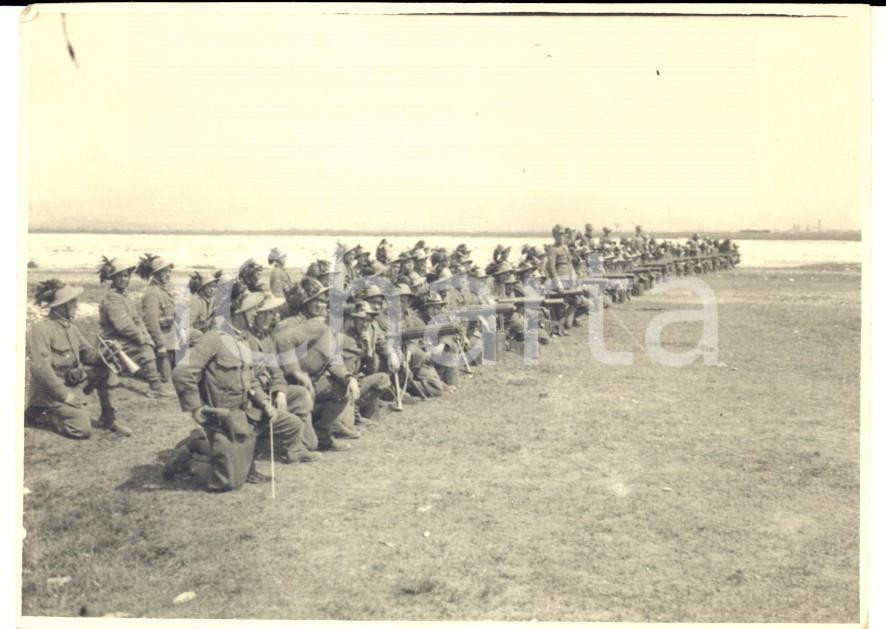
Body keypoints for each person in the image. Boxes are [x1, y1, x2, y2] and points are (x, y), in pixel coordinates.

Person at [165, 288, 286, 490]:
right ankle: (189, 460)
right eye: (252, 308)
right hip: (222, 418)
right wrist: (196, 408)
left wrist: (265, 402)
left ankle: (241, 461)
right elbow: (181, 373)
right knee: (227, 482)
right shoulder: (214, 338)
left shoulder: (243, 339)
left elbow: (251, 380)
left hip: (244, 414)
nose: (257, 312)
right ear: (237, 310)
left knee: (279, 423)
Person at [26, 279, 133, 438]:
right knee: (83, 430)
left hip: (72, 383)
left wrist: (108, 352)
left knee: (105, 367)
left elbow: (88, 355)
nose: (76, 305)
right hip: (50, 393)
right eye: (73, 302)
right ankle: (46, 414)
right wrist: (65, 396)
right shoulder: (41, 329)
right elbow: (40, 369)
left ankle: (108, 418)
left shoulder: (71, 328)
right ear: (61, 306)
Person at [273, 277, 357, 451]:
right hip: (286, 386)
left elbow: (331, 357)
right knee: (309, 445)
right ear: (305, 303)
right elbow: (282, 341)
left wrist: (348, 378)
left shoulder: (318, 324)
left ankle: (323, 433)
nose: (322, 304)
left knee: (341, 388)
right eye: (316, 300)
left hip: (308, 385)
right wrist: (297, 372)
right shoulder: (291, 324)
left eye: (323, 300)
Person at [97, 256, 167, 396]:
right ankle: (155, 388)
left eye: (127, 276)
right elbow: (123, 325)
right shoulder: (112, 298)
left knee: (147, 345)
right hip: (113, 341)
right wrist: (142, 338)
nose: (124, 279)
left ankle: (152, 379)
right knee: (145, 349)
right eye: (121, 276)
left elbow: (137, 319)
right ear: (113, 278)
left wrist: (146, 335)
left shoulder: (124, 296)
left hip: (125, 339)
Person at [136, 254, 178, 381]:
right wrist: (160, 345)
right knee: (168, 379)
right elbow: (150, 323)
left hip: (171, 339)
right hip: (161, 342)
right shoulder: (152, 293)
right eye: (164, 272)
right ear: (156, 274)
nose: (168, 275)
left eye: (169, 271)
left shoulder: (163, 290)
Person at [186, 269, 222, 346]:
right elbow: (185, 326)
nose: (212, 290)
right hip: (192, 336)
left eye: (214, 286)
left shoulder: (211, 301)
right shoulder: (196, 301)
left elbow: (213, 322)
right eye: (209, 286)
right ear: (203, 287)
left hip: (203, 333)